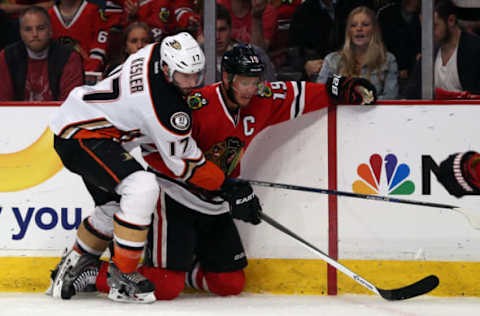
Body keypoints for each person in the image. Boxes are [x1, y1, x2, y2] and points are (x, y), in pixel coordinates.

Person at [50, 44, 378, 302]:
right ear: (226, 78)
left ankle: (185, 264)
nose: (251, 90)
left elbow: (298, 95)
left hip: (215, 203)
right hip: (175, 199)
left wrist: (342, 87)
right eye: (243, 82)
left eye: (255, 81)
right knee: (163, 288)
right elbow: (161, 156)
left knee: (230, 284)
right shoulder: (195, 106)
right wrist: (229, 187)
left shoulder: (262, 100)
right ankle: (97, 273)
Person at [47, 32, 230, 303]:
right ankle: (123, 273)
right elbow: (185, 165)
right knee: (142, 187)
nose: (192, 83)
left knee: (115, 207)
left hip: (81, 125)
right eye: (185, 76)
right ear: (167, 69)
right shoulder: (164, 108)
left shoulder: (156, 51)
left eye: (196, 75)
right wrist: (225, 184)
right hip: (83, 136)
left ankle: (74, 263)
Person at [0, 6, 83, 101]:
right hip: (16, 115)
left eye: (40, 28)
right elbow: (3, 103)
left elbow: (70, 103)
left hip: (58, 114)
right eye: (28, 29)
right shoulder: (6, 57)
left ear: (50, 31)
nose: (35, 34)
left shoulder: (69, 57)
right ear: (21, 33)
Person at [316, 6, 398, 100]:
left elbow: (391, 98)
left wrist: (361, 101)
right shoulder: (331, 60)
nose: (359, 28)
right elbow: (320, 96)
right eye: (353, 25)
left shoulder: (388, 60)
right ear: (349, 31)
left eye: (365, 24)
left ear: (374, 30)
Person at [403, 0, 480, 99]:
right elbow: (410, 93)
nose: (427, 33)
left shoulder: (475, 49)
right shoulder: (428, 54)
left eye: (434, 26)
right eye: (424, 28)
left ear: (451, 20)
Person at [48, 0, 123, 72]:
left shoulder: (94, 12)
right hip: (54, 74)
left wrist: (90, 69)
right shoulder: (47, 15)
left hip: (87, 73)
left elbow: (99, 48)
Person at [212, 3, 276, 82]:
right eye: (212, 30)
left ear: (230, 29)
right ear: (203, 31)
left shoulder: (255, 54)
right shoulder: (195, 56)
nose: (217, 36)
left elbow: (270, 89)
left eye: (222, 30)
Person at [377, 0, 421, 90]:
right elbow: (378, 45)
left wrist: (410, 69)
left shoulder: (427, 15)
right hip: (387, 71)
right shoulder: (386, 15)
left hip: (417, 75)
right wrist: (398, 68)